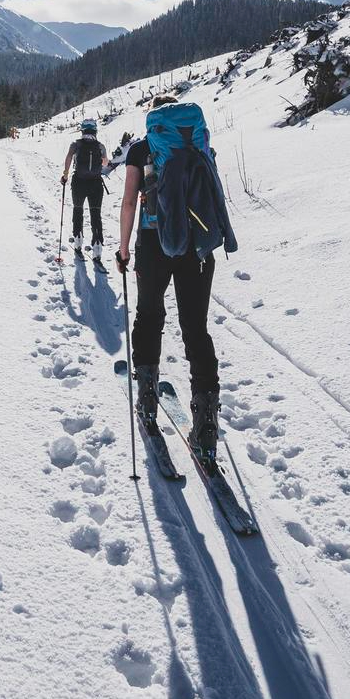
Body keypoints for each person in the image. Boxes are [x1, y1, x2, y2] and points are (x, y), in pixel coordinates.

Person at [115, 95, 237, 470]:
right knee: (196, 330)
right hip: (197, 247)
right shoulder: (199, 143)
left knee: (149, 316)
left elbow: (129, 204)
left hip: (155, 244)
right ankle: (205, 425)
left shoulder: (141, 148)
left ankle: (148, 395)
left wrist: (123, 250)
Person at [59, 119, 106, 257]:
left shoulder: (76, 144)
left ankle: (78, 239)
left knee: (78, 210)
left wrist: (65, 175)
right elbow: (105, 162)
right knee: (96, 214)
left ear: (83, 130)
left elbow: (68, 158)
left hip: (79, 182)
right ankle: (97, 246)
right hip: (96, 183)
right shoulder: (100, 146)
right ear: (95, 130)